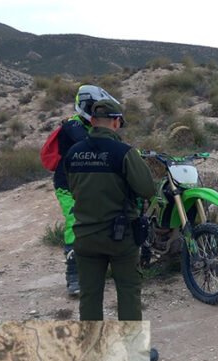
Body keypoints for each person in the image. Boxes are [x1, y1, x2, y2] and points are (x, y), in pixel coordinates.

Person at [64, 99, 155, 321]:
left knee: (90, 295)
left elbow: (71, 188)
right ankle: (131, 350)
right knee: (128, 290)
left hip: (84, 236)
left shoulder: (73, 153)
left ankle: (93, 350)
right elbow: (147, 189)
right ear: (116, 123)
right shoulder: (124, 152)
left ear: (93, 121)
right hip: (120, 238)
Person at [52, 85, 120, 295]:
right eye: (94, 108)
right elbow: (95, 146)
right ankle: (74, 276)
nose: (98, 112)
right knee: (75, 223)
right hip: (68, 186)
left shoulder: (91, 126)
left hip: (91, 183)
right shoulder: (72, 128)